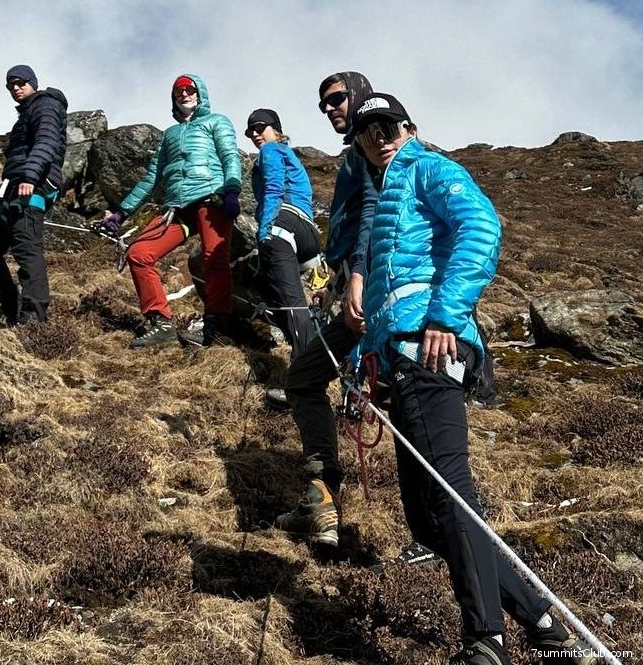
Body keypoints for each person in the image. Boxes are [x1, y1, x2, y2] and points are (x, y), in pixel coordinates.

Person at [347, 93, 589, 665]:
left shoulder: (430, 168)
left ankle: (486, 641)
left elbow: (481, 227)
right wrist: (364, 365)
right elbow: (387, 297)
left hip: (431, 351)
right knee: (428, 518)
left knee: (450, 496)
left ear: (409, 128)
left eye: (388, 126)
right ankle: (543, 626)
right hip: (400, 359)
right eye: (367, 131)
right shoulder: (385, 196)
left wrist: (445, 316)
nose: (379, 137)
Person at [272, 71, 375, 546]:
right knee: (303, 376)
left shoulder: (372, 147)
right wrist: (335, 282)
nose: (330, 109)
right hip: (355, 286)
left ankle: (442, 524)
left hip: (374, 293)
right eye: (323, 104)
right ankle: (320, 497)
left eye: (336, 98)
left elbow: (373, 214)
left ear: (359, 94)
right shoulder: (357, 152)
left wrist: (357, 278)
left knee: (404, 400)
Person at [101, 74, 241, 349]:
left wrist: (232, 190)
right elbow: (151, 177)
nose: (184, 94)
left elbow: (230, 156)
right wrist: (122, 212)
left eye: (189, 89)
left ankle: (216, 326)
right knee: (139, 253)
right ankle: (161, 323)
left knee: (215, 258)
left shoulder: (217, 121)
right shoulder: (170, 135)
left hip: (210, 198)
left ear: (200, 93)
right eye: (178, 92)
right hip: (176, 207)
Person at [0, 65, 68, 324]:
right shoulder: (27, 112)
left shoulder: (45, 105)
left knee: (27, 250)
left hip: (32, 187)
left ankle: (33, 320)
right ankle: (13, 308)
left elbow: (46, 141)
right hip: (13, 190)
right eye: (10, 85)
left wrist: (30, 176)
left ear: (32, 83)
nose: (15, 88)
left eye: (20, 82)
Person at [245, 108, 318, 359]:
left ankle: (306, 369)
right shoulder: (288, 153)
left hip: (283, 223)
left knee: (292, 302)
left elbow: (274, 187)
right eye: (250, 132)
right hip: (306, 233)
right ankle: (303, 348)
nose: (255, 134)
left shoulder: (271, 150)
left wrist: (265, 229)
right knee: (282, 296)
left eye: (259, 127)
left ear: (275, 128)